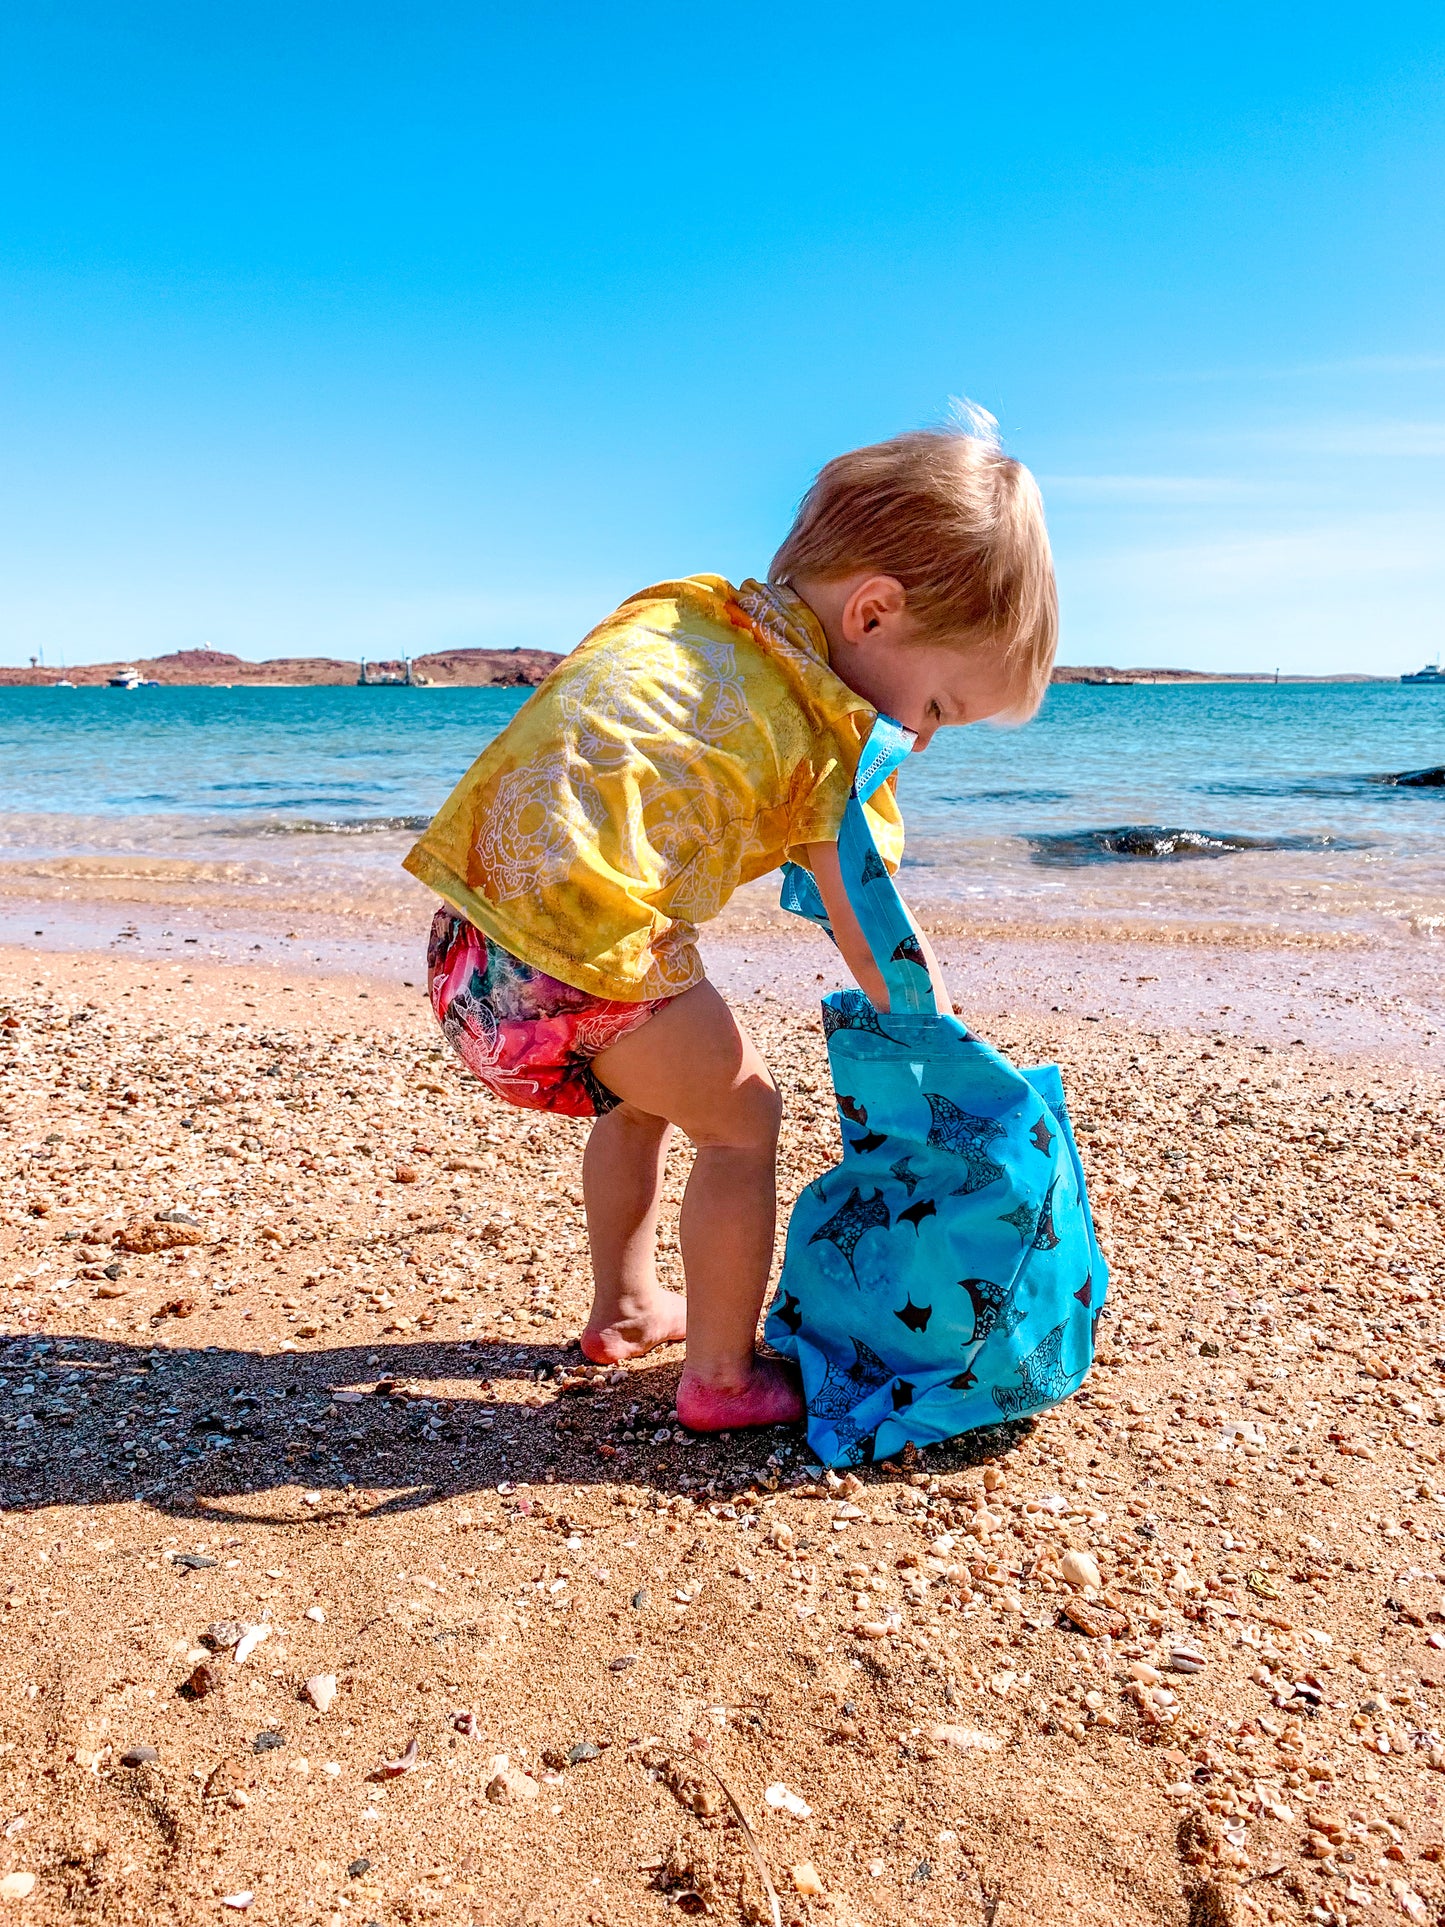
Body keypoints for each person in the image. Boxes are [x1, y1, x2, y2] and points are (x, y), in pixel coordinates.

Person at [403, 419, 1058, 1431]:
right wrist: (937, 1044)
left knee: (645, 1092)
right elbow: (867, 921)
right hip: (583, 963)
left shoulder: (683, 611)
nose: (918, 739)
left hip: (469, 951)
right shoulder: (829, 733)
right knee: (743, 1121)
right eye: (936, 705)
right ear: (873, 612)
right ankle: (718, 1375)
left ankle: (623, 1307)